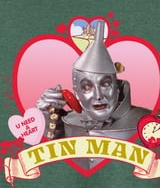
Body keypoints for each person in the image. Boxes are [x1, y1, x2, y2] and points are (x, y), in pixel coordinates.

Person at [36, 20, 150, 170]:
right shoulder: (66, 121)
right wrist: (45, 116)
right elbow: (50, 158)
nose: (98, 95)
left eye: (106, 84)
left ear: (117, 86)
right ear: (76, 92)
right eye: (87, 87)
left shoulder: (148, 121)